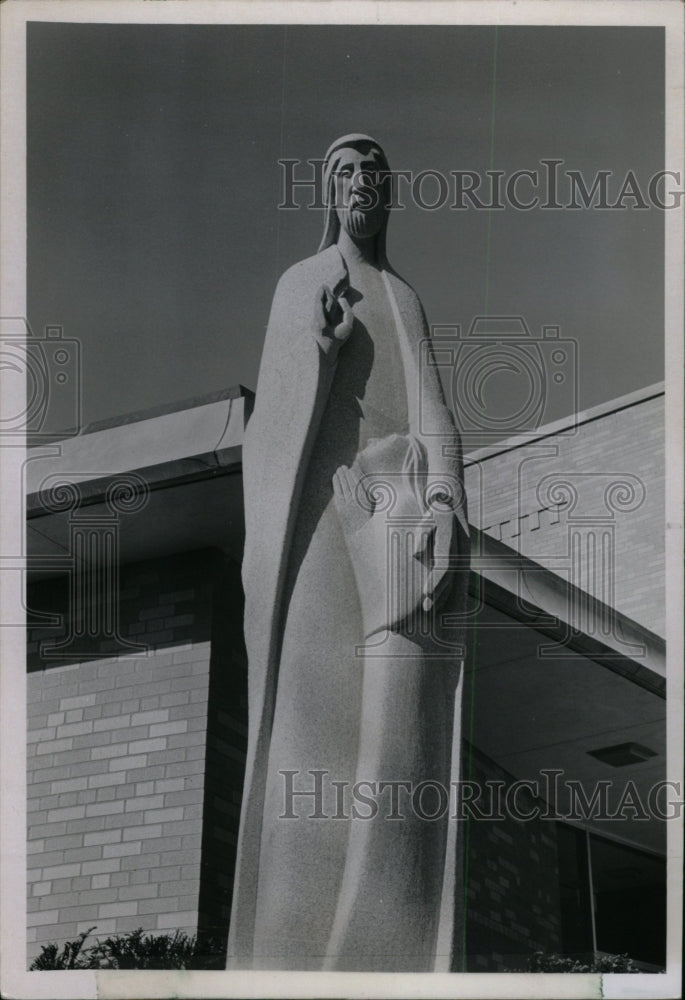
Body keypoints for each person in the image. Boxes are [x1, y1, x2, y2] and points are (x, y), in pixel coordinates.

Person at [227, 134, 469, 971]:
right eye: (345, 172)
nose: (361, 183)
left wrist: (443, 502)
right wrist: (316, 350)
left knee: (397, 730)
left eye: (374, 172)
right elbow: (272, 426)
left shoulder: (402, 297)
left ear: (387, 193)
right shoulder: (304, 282)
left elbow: (435, 413)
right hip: (322, 531)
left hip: (396, 521)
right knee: (311, 733)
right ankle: (292, 954)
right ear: (327, 192)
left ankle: (384, 943)